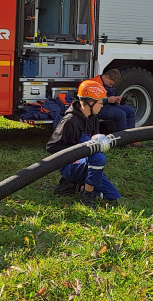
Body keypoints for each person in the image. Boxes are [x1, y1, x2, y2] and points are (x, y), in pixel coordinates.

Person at [47, 79, 121, 208]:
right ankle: (87, 194)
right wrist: (77, 152)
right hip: (70, 164)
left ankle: (76, 185)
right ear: (90, 102)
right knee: (98, 158)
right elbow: (51, 147)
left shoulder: (93, 119)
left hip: (88, 162)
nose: (102, 105)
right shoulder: (70, 121)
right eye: (100, 102)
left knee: (113, 197)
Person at [88, 68, 139, 147]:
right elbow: (91, 101)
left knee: (130, 111)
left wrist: (116, 99)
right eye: (111, 84)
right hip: (98, 108)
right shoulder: (94, 83)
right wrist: (108, 100)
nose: (111, 86)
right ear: (107, 77)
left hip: (108, 106)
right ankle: (123, 141)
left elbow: (108, 97)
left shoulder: (107, 83)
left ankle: (131, 139)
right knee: (120, 114)